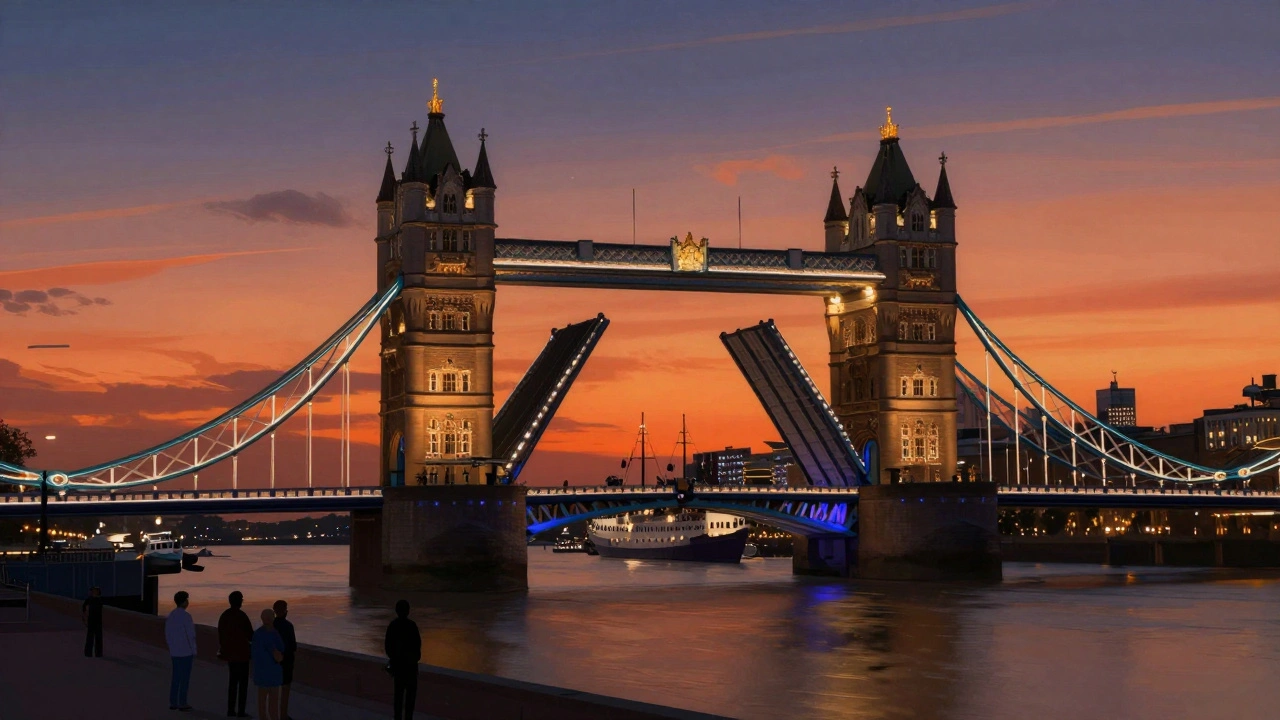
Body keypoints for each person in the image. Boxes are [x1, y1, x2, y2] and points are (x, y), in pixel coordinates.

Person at [218, 590, 254, 718]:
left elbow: (221, 635)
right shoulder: (242, 616)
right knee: (243, 684)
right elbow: (250, 635)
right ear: (239, 601)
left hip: (231, 655)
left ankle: (230, 710)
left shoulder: (225, 615)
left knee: (232, 683)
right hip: (243, 655)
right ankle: (241, 711)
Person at [384, 599, 421, 720]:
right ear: (408, 611)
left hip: (398, 668)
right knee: (410, 699)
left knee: (398, 697)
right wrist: (413, 659)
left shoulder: (393, 626)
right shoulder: (412, 626)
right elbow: (417, 646)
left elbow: (388, 647)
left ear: (396, 611)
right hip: (410, 668)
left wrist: (395, 659)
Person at [164, 591, 196, 712]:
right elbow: (191, 635)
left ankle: (173, 702)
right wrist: (194, 650)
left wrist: (171, 647)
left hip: (175, 651)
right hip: (186, 652)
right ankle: (182, 702)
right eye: (187, 599)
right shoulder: (186, 616)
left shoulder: (171, 616)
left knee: (176, 677)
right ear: (183, 602)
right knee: (184, 678)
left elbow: (167, 634)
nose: (188, 602)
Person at [251, 608, 286, 720]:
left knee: (262, 705)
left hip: (262, 674)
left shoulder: (257, 634)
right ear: (272, 618)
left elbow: (255, 655)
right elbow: (281, 650)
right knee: (273, 705)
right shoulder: (274, 634)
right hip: (273, 674)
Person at [272, 600, 297, 720]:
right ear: (284, 611)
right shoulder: (288, 626)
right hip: (286, 663)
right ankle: (283, 715)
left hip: (272, 663)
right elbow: (293, 646)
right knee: (285, 690)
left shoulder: (270, 626)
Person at [82, 586, 104, 657]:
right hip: (91, 621)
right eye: (93, 591)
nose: (93, 592)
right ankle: (88, 653)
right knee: (90, 638)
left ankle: (98, 654)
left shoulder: (100, 600)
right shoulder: (89, 600)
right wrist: (85, 620)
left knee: (98, 638)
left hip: (98, 622)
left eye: (95, 591)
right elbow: (84, 610)